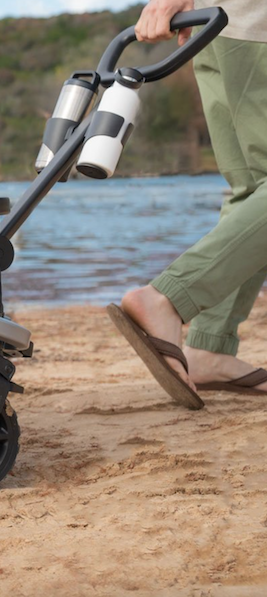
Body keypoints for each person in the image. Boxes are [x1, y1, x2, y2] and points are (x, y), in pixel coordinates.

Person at [109, 0, 267, 409]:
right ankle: (167, 298)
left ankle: (208, 349)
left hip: (226, 25)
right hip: (255, 25)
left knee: (251, 189)